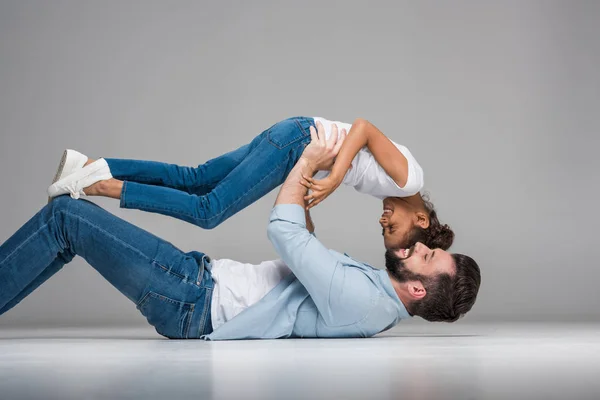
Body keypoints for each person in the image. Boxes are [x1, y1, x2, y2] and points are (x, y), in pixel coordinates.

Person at [0, 131, 481, 340]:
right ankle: (94, 171)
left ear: (419, 289)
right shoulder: (373, 298)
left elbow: (283, 231)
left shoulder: (363, 299)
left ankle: (96, 177)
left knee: (66, 217)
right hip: (195, 286)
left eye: (428, 257)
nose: (420, 246)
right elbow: (305, 255)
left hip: (192, 297)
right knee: (196, 177)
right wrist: (308, 196)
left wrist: (309, 164)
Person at [46, 116, 454, 250]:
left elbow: (346, 148)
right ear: (421, 220)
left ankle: (95, 164)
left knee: (197, 178)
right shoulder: (409, 179)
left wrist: (311, 196)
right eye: (393, 228)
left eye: (383, 230)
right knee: (208, 211)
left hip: (294, 135)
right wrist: (332, 181)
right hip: (296, 141)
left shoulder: (391, 192)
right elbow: (363, 128)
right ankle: (100, 185)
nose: (383, 222)